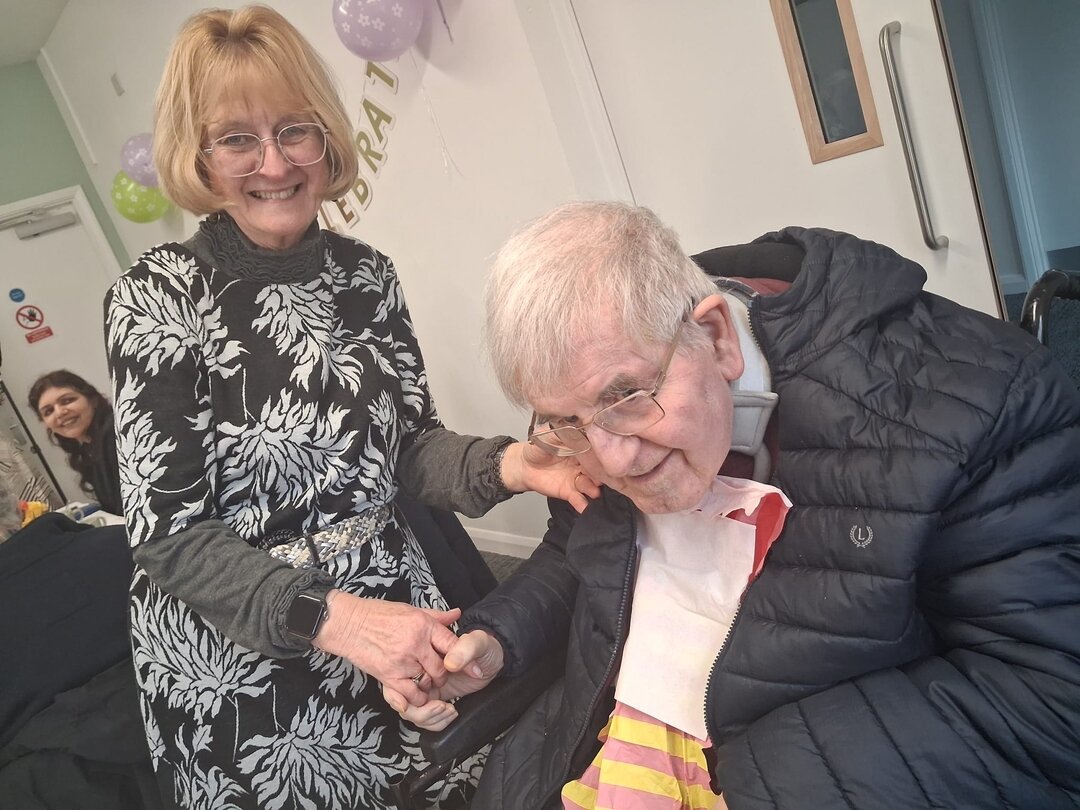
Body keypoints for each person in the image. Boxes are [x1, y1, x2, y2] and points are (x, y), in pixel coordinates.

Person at [388, 202, 1080, 809]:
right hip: (603, 751)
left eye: (626, 397)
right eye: (566, 423)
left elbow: (1051, 704)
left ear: (717, 337)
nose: (613, 459)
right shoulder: (601, 409)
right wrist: (498, 639)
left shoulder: (977, 401)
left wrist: (754, 784)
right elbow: (577, 557)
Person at [102, 7, 593, 809]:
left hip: (389, 596)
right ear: (198, 156)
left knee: (440, 781)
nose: (274, 163)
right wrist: (340, 621)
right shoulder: (155, 298)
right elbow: (171, 535)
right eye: (236, 140)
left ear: (327, 136)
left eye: (295, 129)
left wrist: (512, 463)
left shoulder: (366, 275)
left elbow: (407, 447)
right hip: (240, 650)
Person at [28, 370, 120, 515]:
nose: (59, 413)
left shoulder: (114, 435)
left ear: (93, 400)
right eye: (48, 411)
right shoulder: (87, 448)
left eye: (67, 401)